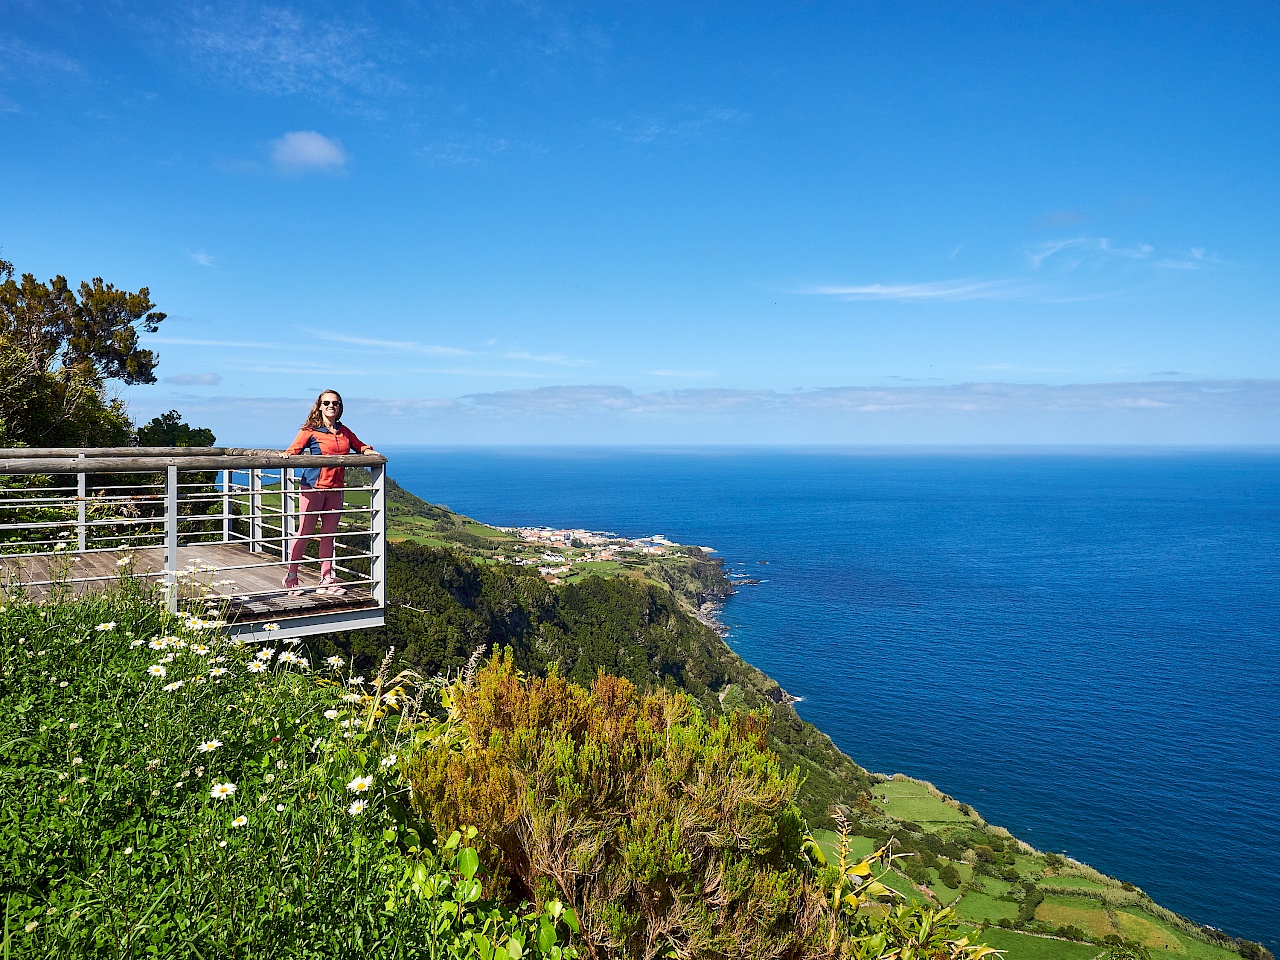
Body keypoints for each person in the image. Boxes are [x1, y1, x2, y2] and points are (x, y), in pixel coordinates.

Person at [280, 390, 377, 595]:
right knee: (304, 532)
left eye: (336, 403)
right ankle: (291, 577)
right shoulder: (310, 430)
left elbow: (359, 446)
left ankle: (326, 579)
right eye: (327, 403)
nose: (331, 406)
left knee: (329, 535)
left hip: (335, 488)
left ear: (340, 407)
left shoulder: (344, 431)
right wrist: (286, 456)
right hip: (313, 488)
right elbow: (293, 450)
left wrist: (369, 452)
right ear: (320, 406)